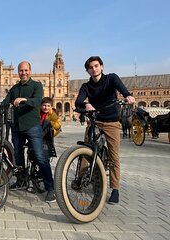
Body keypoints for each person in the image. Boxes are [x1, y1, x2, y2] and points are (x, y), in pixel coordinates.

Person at [75, 56, 136, 204]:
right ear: (88, 70)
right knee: (84, 152)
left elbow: (122, 88)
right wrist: (86, 105)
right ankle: (80, 178)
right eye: (90, 67)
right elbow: (78, 101)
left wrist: (128, 96)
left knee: (114, 156)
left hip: (111, 122)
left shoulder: (111, 79)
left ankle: (115, 189)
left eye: (96, 66)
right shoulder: (86, 87)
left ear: (101, 66)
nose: (94, 69)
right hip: (95, 121)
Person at [0, 61, 56, 203]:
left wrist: (24, 99)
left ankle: (51, 188)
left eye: (26, 70)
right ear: (18, 72)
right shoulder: (15, 88)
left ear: (30, 70)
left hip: (33, 126)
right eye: (21, 70)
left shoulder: (37, 85)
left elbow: (36, 101)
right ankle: (21, 180)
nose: (23, 73)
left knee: (40, 155)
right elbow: (6, 100)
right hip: (17, 127)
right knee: (17, 155)